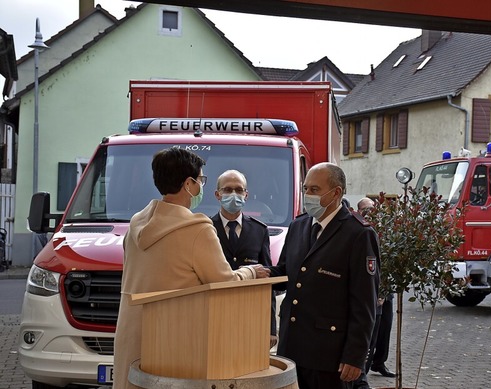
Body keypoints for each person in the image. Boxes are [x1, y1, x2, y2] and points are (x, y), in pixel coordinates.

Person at [113, 147, 269, 389]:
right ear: (188, 184)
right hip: (173, 340)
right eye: (200, 180)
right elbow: (224, 283)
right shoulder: (197, 229)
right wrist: (250, 272)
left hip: (132, 337)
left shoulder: (136, 223)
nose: (201, 186)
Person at [270, 162, 380, 389]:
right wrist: (255, 273)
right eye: (306, 189)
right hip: (293, 349)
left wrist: (355, 356)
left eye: (314, 190)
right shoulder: (298, 226)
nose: (307, 195)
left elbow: (365, 303)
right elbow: (285, 271)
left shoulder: (358, 234)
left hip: (329, 355)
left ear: (336, 193)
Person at [211, 169, 277, 348]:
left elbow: (267, 280)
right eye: (228, 190)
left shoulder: (259, 230)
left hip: (250, 316)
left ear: (246, 195)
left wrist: (271, 327)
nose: (234, 194)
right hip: (215, 315)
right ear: (217, 194)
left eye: (239, 190)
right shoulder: (206, 229)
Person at [355, 197, 396, 381]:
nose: (370, 213)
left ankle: (380, 362)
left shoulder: (385, 229)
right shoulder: (362, 230)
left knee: (385, 328)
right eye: (365, 210)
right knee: (372, 331)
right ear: (359, 211)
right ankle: (364, 368)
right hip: (374, 291)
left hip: (386, 289)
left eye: (372, 209)